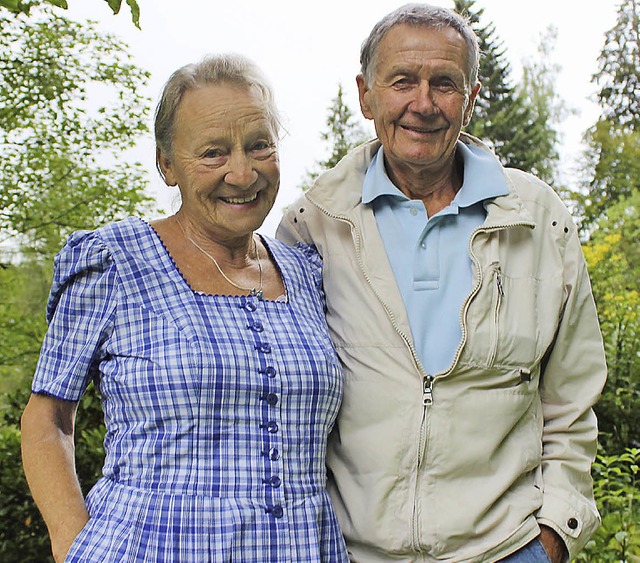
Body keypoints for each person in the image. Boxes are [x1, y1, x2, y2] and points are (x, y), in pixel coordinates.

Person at [277, 4, 606, 562]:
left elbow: (572, 396)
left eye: (445, 84)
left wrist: (552, 536)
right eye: (402, 81)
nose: (423, 104)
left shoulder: (537, 218)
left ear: (472, 97)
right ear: (366, 94)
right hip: (349, 552)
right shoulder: (314, 224)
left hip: (507, 547)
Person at [21, 54, 349, 562]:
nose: (241, 173)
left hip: (306, 548)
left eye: (259, 145)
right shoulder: (115, 262)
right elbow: (48, 419)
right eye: (213, 153)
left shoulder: (308, 273)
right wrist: (71, 542)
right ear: (167, 164)